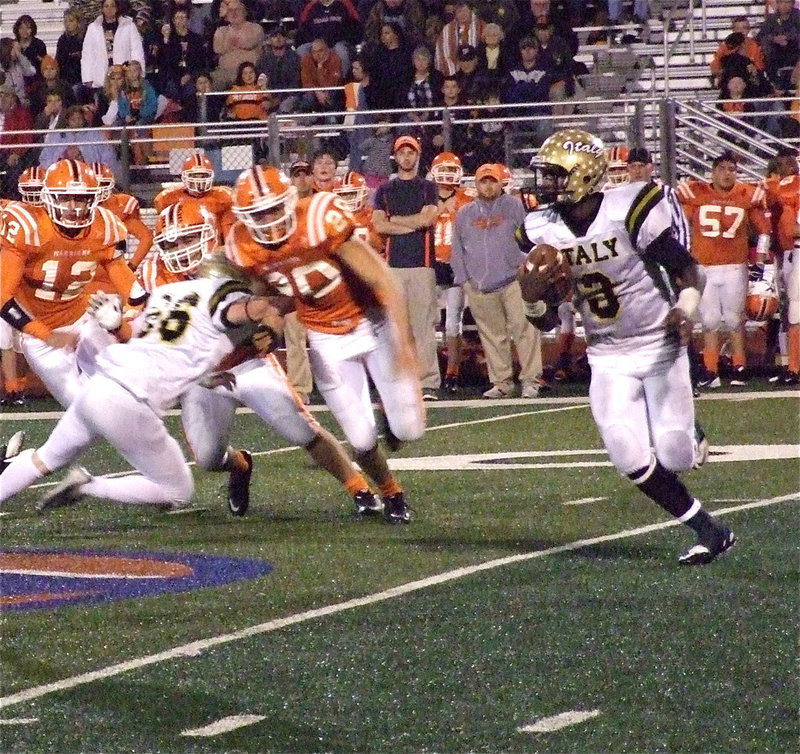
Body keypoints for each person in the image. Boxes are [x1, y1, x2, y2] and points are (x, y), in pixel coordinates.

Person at [517, 128, 735, 566]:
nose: (546, 185)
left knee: (674, 453)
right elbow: (542, 318)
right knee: (624, 449)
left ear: (582, 175)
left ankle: (691, 433)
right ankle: (710, 530)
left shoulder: (628, 210)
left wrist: (686, 307)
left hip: (659, 342)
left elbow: (690, 271)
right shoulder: (542, 228)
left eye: (555, 175)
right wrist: (534, 298)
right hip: (606, 351)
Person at [137, 201, 382, 517]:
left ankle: (359, 488)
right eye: (172, 243)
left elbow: (286, 295)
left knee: (301, 430)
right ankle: (240, 465)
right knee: (209, 458)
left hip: (248, 363)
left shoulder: (238, 260)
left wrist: (266, 318)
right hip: (203, 378)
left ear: (207, 235)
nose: (181, 249)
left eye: (187, 238)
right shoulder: (152, 274)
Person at [0, 255, 285, 515]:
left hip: (99, 388)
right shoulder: (220, 310)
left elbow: (151, 345)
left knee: (44, 459)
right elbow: (260, 309)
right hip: (130, 404)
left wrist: (114, 326)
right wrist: (304, 292)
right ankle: (88, 485)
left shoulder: (167, 295)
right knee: (178, 493)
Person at [225, 165, 425, 523]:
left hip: (372, 323)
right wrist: (266, 325)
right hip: (325, 338)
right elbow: (273, 296)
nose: (268, 221)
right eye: (258, 214)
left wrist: (406, 344)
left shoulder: (319, 217)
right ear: (244, 218)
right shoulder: (243, 247)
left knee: (410, 428)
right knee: (361, 441)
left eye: (273, 209)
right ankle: (393, 493)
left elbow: (384, 278)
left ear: (290, 201)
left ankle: (393, 421)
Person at [0, 159, 141, 409]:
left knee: (128, 392)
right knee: (86, 411)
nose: (74, 207)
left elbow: (130, 285)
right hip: (42, 336)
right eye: (65, 198)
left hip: (85, 320)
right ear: (48, 198)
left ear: (93, 199)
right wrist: (47, 335)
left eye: (81, 198)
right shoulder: (29, 227)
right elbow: (2, 297)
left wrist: (134, 314)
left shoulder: (105, 226)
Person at [676, 151, 771, 388]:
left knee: (734, 319)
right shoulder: (695, 192)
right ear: (713, 171)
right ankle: (711, 370)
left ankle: (739, 366)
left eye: (732, 169)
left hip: (734, 266)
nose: (727, 174)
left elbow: (764, 231)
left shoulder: (746, 194)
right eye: (722, 169)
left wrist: (759, 261)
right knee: (709, 320)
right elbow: (680, 225)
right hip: (705, 266)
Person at [450, 162, 541, 398]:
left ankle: (531, 380)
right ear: (476, 184)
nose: (488, 186)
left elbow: (527, 239)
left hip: (513, 280)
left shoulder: (513, 206)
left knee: (525, 329)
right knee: (492, 335)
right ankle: (502, 383)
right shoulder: (464, 213)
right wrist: (465, 281)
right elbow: (457, 250)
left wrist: (523, 266)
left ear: (501, 183)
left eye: (493, 181)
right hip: (479, 285)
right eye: (484, 181)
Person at [372, 135, 441, 399]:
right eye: (401, 152)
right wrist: (411, 224)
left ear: (418, 155)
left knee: (423, 327)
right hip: (393, 266)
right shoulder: (385, 190)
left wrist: (397, 222)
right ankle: (400, 381)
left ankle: (428, 382)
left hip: (422, 265)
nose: (406, 157)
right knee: (397, 328)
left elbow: (428, 219)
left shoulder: (427, 187)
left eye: (410, 152)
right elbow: (379, 225)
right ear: (395, 156)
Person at [429, 151, 471, 392]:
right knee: (426, 322)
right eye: (442, 170)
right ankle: (427, 371)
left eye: (450, 170)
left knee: (453, 321)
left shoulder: (466, 199)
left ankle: (451, 373)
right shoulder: (425, 197)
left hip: (456, 264)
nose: (446, 176)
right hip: (430, 263)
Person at [154, 151, 236, 241]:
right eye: (194, 176)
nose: (199, 180)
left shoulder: (223, 197)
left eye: (203, 176)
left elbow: (228, 235)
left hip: (215, 243)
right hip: (185, 243)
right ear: (184, 177)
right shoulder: (168, 198)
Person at [90, 161, 154, 272]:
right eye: (94, 185)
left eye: (102, 185)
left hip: (112, 273)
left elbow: (147, 237)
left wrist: (131, 267)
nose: (98, 190)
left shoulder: (120, 206)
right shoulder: (72, 209)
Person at [81, 0, 146, 91]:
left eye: (112, 6)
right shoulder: (93, 28)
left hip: (124, 77)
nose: (109, 9)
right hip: (101, 78)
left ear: (117, 8)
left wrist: (139, 73)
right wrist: (87, 77)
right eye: (106, 6)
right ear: (102, 9)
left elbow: (137, 50)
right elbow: (87, 54)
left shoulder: (129, 26)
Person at [211, 0, 265, 90]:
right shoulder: (221, 30)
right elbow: (218, 49)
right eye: (230, 10)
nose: (234, 13)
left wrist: (230, 44)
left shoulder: (255, 28)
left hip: (249, 74)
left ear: (245, 12)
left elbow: (248, 43)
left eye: (237, 9)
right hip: (225, 74)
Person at [255, 25, 302, 115]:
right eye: (274, 36)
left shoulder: (295, 58)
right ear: (269, 40)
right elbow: (260, 82)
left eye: (281, 35)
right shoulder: (263, 60)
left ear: (287, 39)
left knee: (285, 106)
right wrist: (268, 98)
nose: (278, 38)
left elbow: (296, 84)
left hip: (290, 97)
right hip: (268, 97)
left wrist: (277, 101)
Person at [56, 8, 86, 91]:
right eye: (65, 21)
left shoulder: (85, 38)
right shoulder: (62, 39)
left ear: (78, 22)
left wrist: (80, 55)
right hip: (66, 78)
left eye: (71, 21)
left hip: (81, 77)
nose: (67, 24)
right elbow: (58, 60)